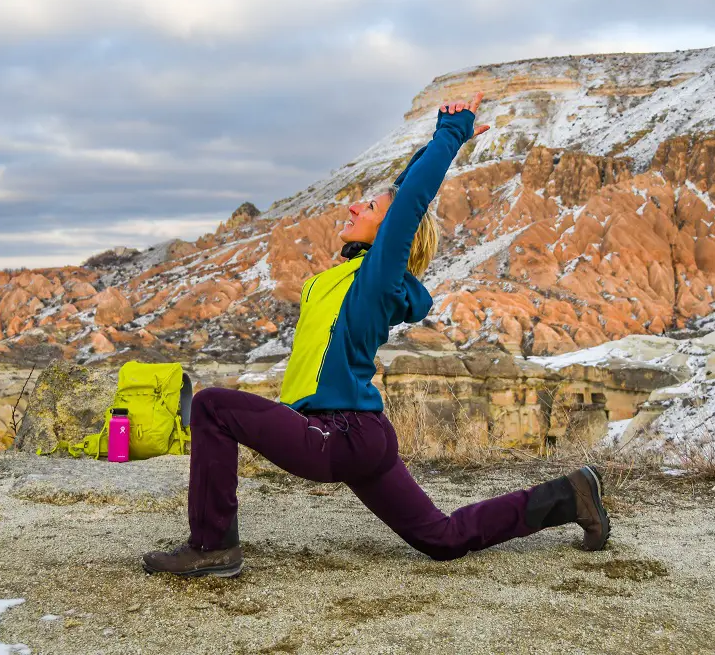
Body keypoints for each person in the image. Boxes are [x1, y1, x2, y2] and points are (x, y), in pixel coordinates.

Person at [142, 92, 610, 578]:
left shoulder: (376, 280)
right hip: (362, 435)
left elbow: (408, 203)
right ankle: (570, 495)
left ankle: (212, 546)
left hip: (337, 435)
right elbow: (399, 194)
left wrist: (450, 136)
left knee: (213, 406)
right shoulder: (353, 276)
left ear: (387, 230)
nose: (351, 206)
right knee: (441, 539)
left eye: (365, 206)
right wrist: (437, 141)